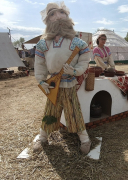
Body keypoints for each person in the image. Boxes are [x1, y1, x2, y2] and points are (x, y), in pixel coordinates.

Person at [34, 1, 91, 154]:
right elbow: (39, 64)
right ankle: (42, 137)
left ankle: (85, 139)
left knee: (74, 112)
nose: (57, 17)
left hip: (69, 83)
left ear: (67, 16)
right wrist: (41, 80)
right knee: (50, 111)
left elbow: (85, 57)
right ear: (47, 20)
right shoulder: (43, 44)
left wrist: (75, 71)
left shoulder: (77, 42)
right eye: (52, 14)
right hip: (53, 84)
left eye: (61, 13)